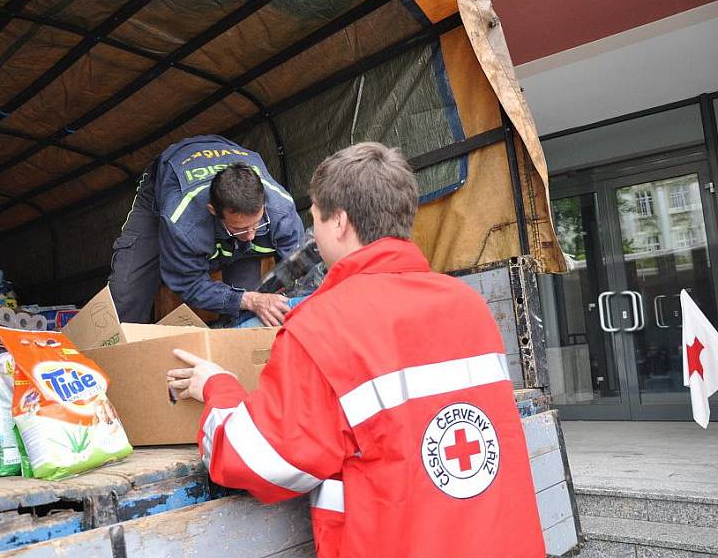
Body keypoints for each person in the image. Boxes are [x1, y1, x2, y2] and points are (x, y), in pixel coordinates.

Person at [166, 142, 545, 557]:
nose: (312, 235)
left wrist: (218, 387)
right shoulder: (470, 306)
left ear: (340, 222)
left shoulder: (323, 327)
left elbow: (256, 462)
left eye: (315, 221)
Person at [108, 134, 304, 326]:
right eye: (240, 228)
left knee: (247, 307)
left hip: (225, 171)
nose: (251, 235)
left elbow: (303, 265)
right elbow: (188, 283)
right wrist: (250, 300)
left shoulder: (281, 209)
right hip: (164, 189)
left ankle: (233, 342)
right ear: (213, 211)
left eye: (257, 224)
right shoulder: (182, 222)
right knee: (128, 295)